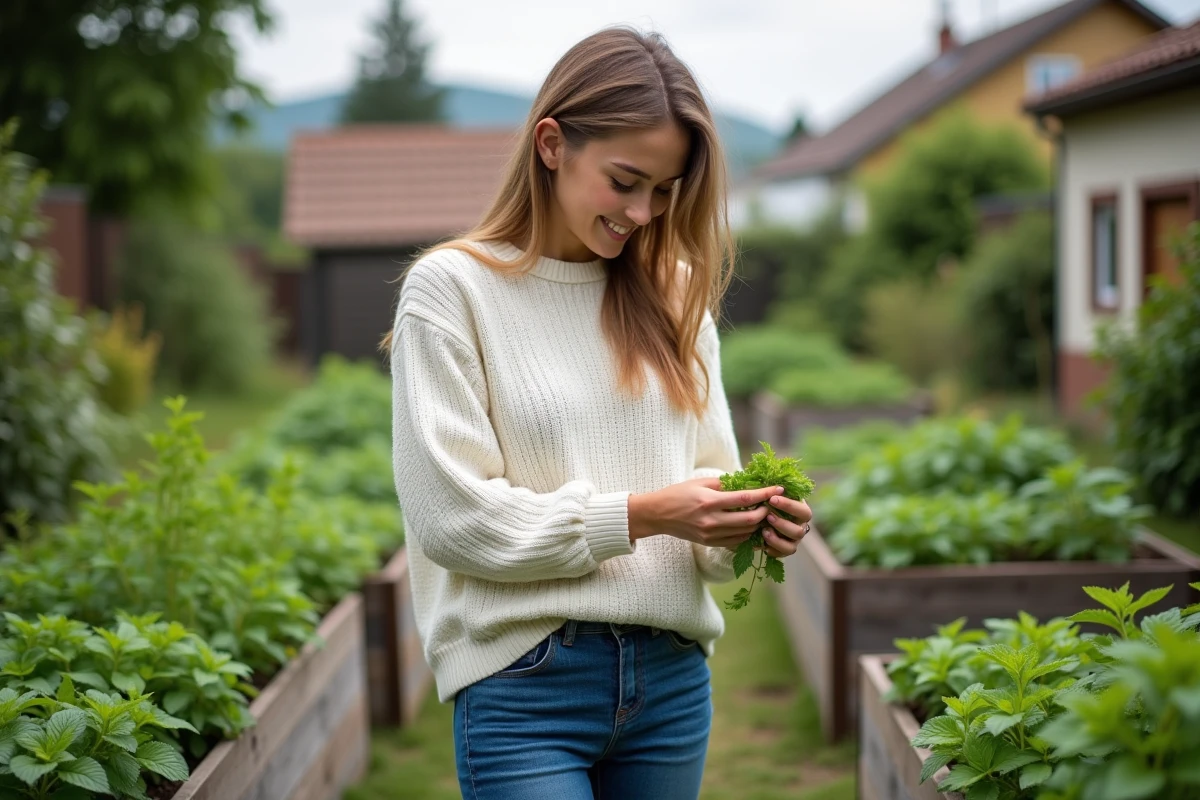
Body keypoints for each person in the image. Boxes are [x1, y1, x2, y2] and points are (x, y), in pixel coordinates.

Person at [385, 26, 813, 800]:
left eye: (664, 189)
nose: (644, 211)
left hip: (672, 684)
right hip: (524, 686)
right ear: (552, 144)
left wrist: (746, 525)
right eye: (625, 181)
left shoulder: (677, 290)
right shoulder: (452, 292)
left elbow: (704, 496)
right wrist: (645, 514)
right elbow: (452, 518)